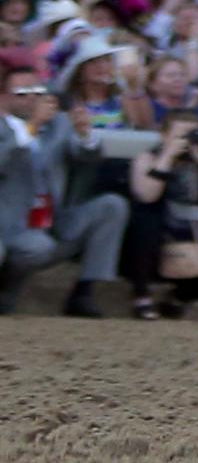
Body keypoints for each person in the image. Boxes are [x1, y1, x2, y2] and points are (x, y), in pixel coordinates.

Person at [0, 63, 127, 316]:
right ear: (4, 97)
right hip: (6, 226)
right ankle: (7, 290)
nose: (33, 99)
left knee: (112, 206)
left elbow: (88, 157)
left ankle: (85, 291)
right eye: (23, 94)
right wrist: (30, 127)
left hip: (50, 222)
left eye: (37, 92)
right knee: (35, 247)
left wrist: (84, 134)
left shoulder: (59, 123)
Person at [121, 110, 198, 319]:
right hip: (149, 246)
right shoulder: (147, 158)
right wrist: (168, 156)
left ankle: (178, 298)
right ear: (164, 135)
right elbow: (146, 194)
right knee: (146, 219)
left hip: (191, 243)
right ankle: (142, 295)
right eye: (181, 136)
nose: (187, 143)